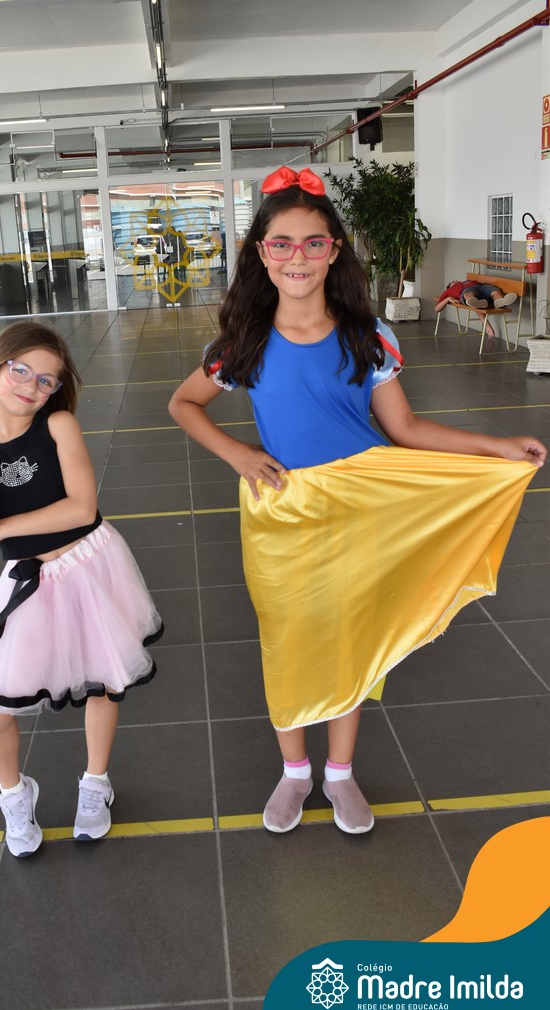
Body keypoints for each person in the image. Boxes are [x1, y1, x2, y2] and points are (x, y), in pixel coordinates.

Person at [168, 165, 546, 838]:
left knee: (351, 638)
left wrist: (494, 448)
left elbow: (406, 429)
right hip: (281, 510)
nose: (298, 257)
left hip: (364, 504)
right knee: (286, 640)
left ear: (334, 250)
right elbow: (183, 403)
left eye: (313, 243)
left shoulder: (366, 337)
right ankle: (294, 771)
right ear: (261, 253)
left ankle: (339, 773)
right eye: (282, 243)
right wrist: (237, 454)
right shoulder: (242, 340)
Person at [0, 322, 163, 858]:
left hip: (89, 563)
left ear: (56, 390)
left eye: (46, 380)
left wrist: (0, 531)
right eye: (21, 370)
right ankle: (14, 795)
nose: (31, 385)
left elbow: (81, 508)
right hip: (30, 580)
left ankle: (95, 784)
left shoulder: (58, 424)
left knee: (104, 683)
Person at [435, 280, 518, 339]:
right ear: (450, 286)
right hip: (467, 291)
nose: (455, 280)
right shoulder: (449, 291)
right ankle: (477, 302)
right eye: (453, 282)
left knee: (495, 291)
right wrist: (447, 299)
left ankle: (499, 302)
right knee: (468, 294)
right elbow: (437, 309)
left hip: (481, 287)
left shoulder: (467, 281)